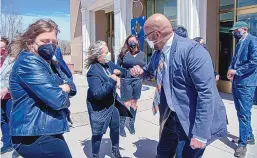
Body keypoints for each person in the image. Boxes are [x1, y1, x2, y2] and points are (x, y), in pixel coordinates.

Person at [131, 13, 227, 157]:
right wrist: (140, 72)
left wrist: (200, 134)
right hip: (172, 116)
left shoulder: (193, 51)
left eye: (146, 37)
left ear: (157, 34)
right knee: (162, 154)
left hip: (192, 119)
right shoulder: (158, 53)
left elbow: (206, 93)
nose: (146, 41)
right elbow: (150, 73)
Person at [9, 19, 72, 158]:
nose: (50, 45)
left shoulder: (46, 62)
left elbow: (70, 84)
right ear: (31, 41)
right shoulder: (29, 61)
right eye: (45, 41)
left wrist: (64, 85)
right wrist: (64, 88)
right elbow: (58, 100)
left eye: (54, 42)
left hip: (44, 130)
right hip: (33, 135)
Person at [86, 40, 133, 158]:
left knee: (115, 126)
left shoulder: (108, 64)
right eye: (106, 52)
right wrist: (112, 80)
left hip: (111, 103)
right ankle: (95, 154)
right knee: (98, 133)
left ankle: (115, 150)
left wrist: (120, 72)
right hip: (99, 107)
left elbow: (124, 72)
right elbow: (97, 94)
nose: (109, 54)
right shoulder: (93, 72)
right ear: (98, 56)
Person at [227, 21, 257, 158]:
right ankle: (249, 136)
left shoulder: (253, 41)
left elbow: (254, 62)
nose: (234, 32)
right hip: (237, 83)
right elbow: (234, 59)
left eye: (236, 30)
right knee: (240, 112)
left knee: (244, 114)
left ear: (244, 29)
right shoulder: (239, 43)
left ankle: (242, 144)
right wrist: (230, 70)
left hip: (247, 84)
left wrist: (236, 71)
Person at [117, 34, 146, 137]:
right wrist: (118, 80)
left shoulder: (142, 54)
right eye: (130, 42)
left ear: (137, 42)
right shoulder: (124, 54)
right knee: (126, 103)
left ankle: (131, 123)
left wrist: (142, 70)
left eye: (133, 42)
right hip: (126, 80)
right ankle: (121, 125)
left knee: (134, 102)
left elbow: (145, 67)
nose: (132, 44)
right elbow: (117, 68)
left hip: (137, 81)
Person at [0, 37, 14, 154]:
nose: (1, 50)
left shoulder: (11, 62)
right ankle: (7, 144)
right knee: (2, 121)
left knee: (12, 120)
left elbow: (16, 78)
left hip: (10, 97)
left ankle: (18, 144)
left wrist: (7, 88)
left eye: (3, 48)